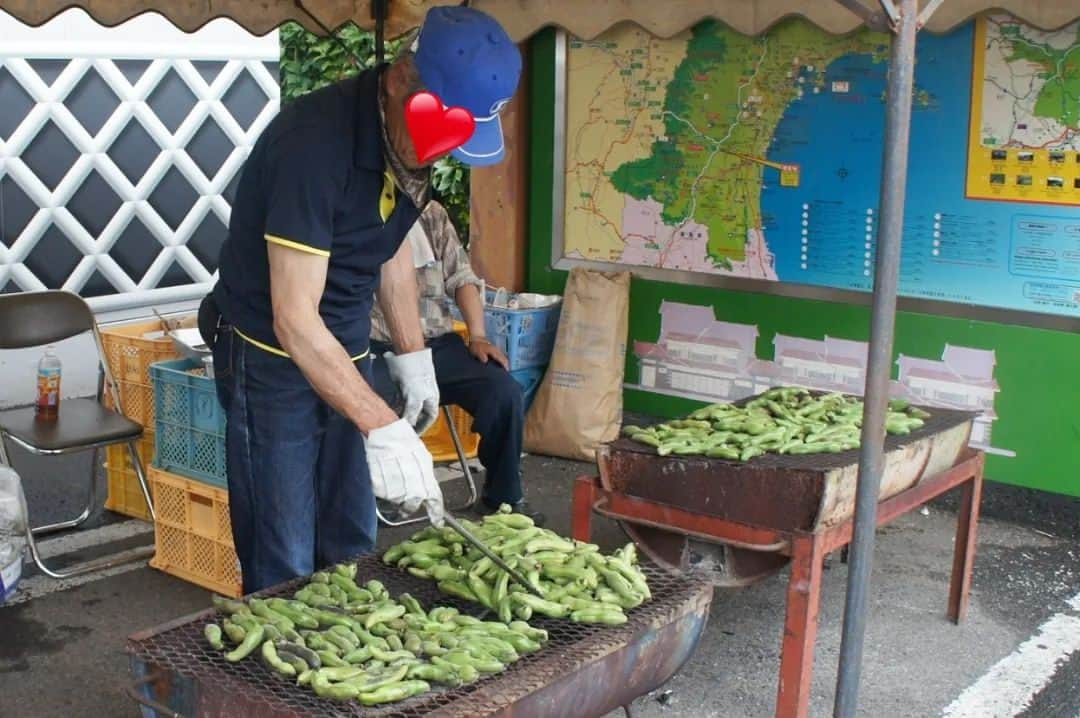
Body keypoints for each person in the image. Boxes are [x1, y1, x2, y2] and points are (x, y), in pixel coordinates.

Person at [196, 7, 522, 594]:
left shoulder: (406, 144)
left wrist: (413, 356)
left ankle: (345, 651)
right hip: (269, 350)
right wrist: (380, 423)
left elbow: (388, 247)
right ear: (401, 80)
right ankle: (279, 671)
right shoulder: (313, 148)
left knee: (349, 532)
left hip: (346, 348)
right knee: (286, 545)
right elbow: (293, 317)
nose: (443, 153)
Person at [369, 201, 543, 524]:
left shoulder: (430, 213)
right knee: (366, 403)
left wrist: (478, 336)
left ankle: (503, 497)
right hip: (377, 348)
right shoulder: (360, 209)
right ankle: (373, 502)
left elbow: (462, 277)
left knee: (503, 391)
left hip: (438, 346)